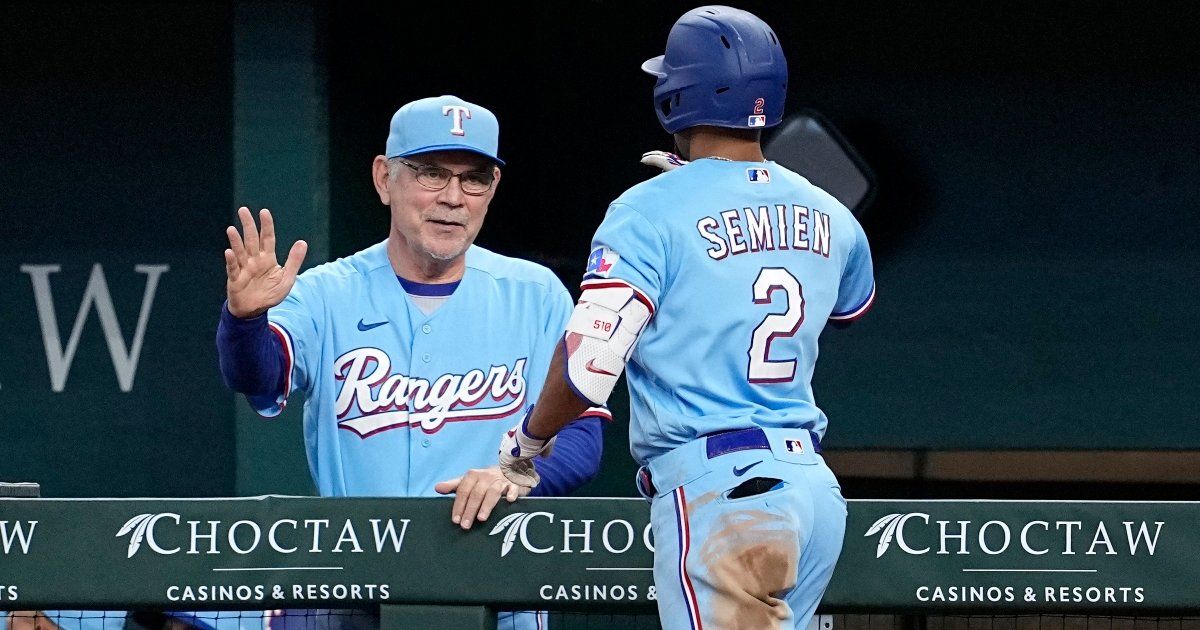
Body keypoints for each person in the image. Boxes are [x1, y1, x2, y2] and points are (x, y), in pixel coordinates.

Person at [498, 6, 875, 630]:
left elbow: (589, 367)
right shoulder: (831, 212)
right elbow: (846, 308)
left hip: (725, 494)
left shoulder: (646, 211)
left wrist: (528, 444)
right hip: (814, 492)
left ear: (673, 97)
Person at [217, 94, 607, 630]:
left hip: (497, 590)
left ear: (492, 189)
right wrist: (244, 322)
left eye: (474, 178)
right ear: (384, 179)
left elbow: (583, 437)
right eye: (429, 173)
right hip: (349, 588)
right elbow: (255, 375)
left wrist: (517, 474)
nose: (453, 197)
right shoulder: (325, 293)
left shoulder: (535, 295)